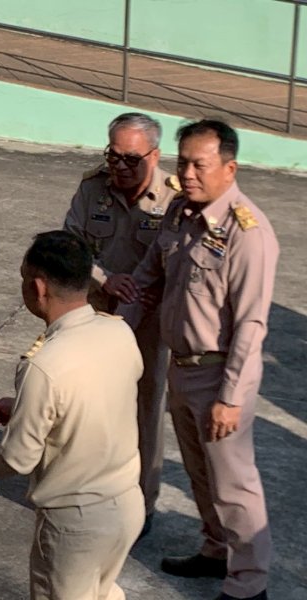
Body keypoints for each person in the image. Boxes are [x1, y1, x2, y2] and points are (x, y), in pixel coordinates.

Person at [120, 120, 277, 600]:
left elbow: (251, 325)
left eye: (199, 165)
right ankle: (215, 549)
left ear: (230, 168)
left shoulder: (247, 233)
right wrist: (113, 333)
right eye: (183, 162)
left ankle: (249, 584)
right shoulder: (180, 213)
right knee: (199, 472)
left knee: (234, 485)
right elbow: (148, 275)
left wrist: (230, 398)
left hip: (220, 375)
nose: (187, 174)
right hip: (181, 367)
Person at [0, 231, 145, 600]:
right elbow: (96, 395)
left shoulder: (44, 365)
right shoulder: (118, 332)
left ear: (38, 287)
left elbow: (18, 458)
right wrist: (24, 406)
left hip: (74, 525)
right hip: (127, 505)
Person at [63, 112, 178, 537]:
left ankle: (142, 504)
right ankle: (87, 491)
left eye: (132, 159)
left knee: (146, 408)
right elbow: (71, 243)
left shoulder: (174, 198)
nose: (121, 167)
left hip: (148, 320)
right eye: (114, 156)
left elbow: (182, 261)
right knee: (88, 404)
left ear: (154, 156)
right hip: (97, 313)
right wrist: (105, 278)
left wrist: (150, 288)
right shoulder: (93, 187)